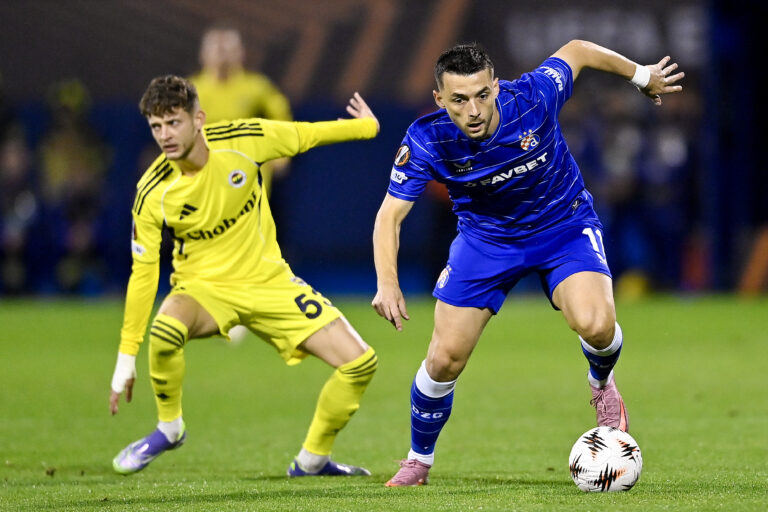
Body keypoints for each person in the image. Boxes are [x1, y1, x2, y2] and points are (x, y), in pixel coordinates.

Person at [371, 40, 684, 486]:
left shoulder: (533, 96)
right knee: (444, 359)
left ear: (496, 86)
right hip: (486, 241)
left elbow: (577, 51)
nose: (474, 109)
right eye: (459, 100)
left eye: (482, 94)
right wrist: (387, 283)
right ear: (440, 100)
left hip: (563, 225)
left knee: (596, 325)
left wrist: (641, 76)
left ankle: (601, 385)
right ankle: (418, 460)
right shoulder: (427, 139)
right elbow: (389, 216)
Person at [109, 75, 380, 477]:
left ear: (198, 118)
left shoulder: (243, 140)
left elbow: (306, 136)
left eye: (174, 122)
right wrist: (126, 356)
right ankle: (169, 428)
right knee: (165, 331)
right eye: (156, 126)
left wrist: (367, 127)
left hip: (269, 283)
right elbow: (143, 273)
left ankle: (312, 460)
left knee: (360, 363)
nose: (165, 135)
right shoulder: (152, 191)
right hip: (203, 290)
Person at [189, 21, 292, 196]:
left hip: (246, 170)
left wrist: (281, 156)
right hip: (204, 170)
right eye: (215, 48)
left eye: (227, 48)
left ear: (240, 52)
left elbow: (282, 118)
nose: (221, 54)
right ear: (203, 54)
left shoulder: (257, 87)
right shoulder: (189, 89)